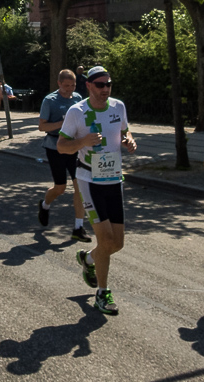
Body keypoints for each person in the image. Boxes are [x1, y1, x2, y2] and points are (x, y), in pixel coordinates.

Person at [57, 65, 137, 316]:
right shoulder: (76, 112)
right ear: (88, 86)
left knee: (118, 243)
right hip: (88, 181)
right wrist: (82, 142)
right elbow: (61, 147)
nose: (105, 89)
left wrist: (129, 141)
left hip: (114, 179)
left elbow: (125, 131)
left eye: (108, 84)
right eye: (100, 85)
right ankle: (103, 293)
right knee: (106, 240)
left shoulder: (118, 107)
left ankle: (88, 259)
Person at [37, 69, 90, 242]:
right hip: (55, 147)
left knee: (79, 186)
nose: (70, 89)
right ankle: (45, 205)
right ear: (59, 84)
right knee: (60, 188)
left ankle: (78, 227)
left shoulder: (77, 99)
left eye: (73, 85)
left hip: (75, 147)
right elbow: (42, 127)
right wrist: (63, 123)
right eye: (66, 86)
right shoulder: (50, 101)